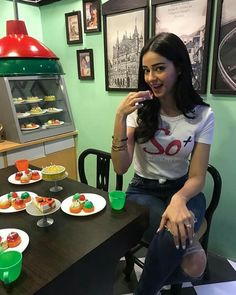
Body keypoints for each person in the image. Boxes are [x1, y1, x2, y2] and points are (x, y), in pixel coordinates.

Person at [111, 32, 214, 294]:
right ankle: (188, 245)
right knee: (191, 260)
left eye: (159, 68)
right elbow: (120, 167)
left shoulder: (203, 115)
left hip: (184, 189)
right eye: (146, 70)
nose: (150, 78)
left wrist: (179, 200)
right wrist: (120, 118)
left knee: (173, 234)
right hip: (142, 191)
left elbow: (198, 176)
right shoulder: (140, 110)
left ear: (178, 68)